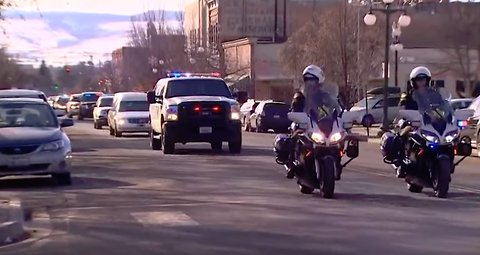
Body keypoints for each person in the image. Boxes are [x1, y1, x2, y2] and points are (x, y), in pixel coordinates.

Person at [285, 64, 341, 179]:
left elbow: (335, 107)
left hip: (321, 123)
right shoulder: (300, 96)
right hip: (304, 123)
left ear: (319, 81)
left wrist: (341, 114)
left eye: (313, 81)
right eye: (308, 80)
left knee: (339, 138)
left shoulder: (325, 96)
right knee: (295, 134)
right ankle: (292, 164)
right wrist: (297, 114)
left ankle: (337, 164)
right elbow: (295, 109)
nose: (310, 84)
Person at [395, 66, 432, 178]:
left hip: (427, 124)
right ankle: (400, 163)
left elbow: (441, 106)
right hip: (412, 122)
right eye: (418, 80)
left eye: (423, 80)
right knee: (402, 135)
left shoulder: (432, 95)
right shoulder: (407, 94)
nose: (421, 82)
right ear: (413, 82)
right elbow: (402, 107)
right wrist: (405, 114)